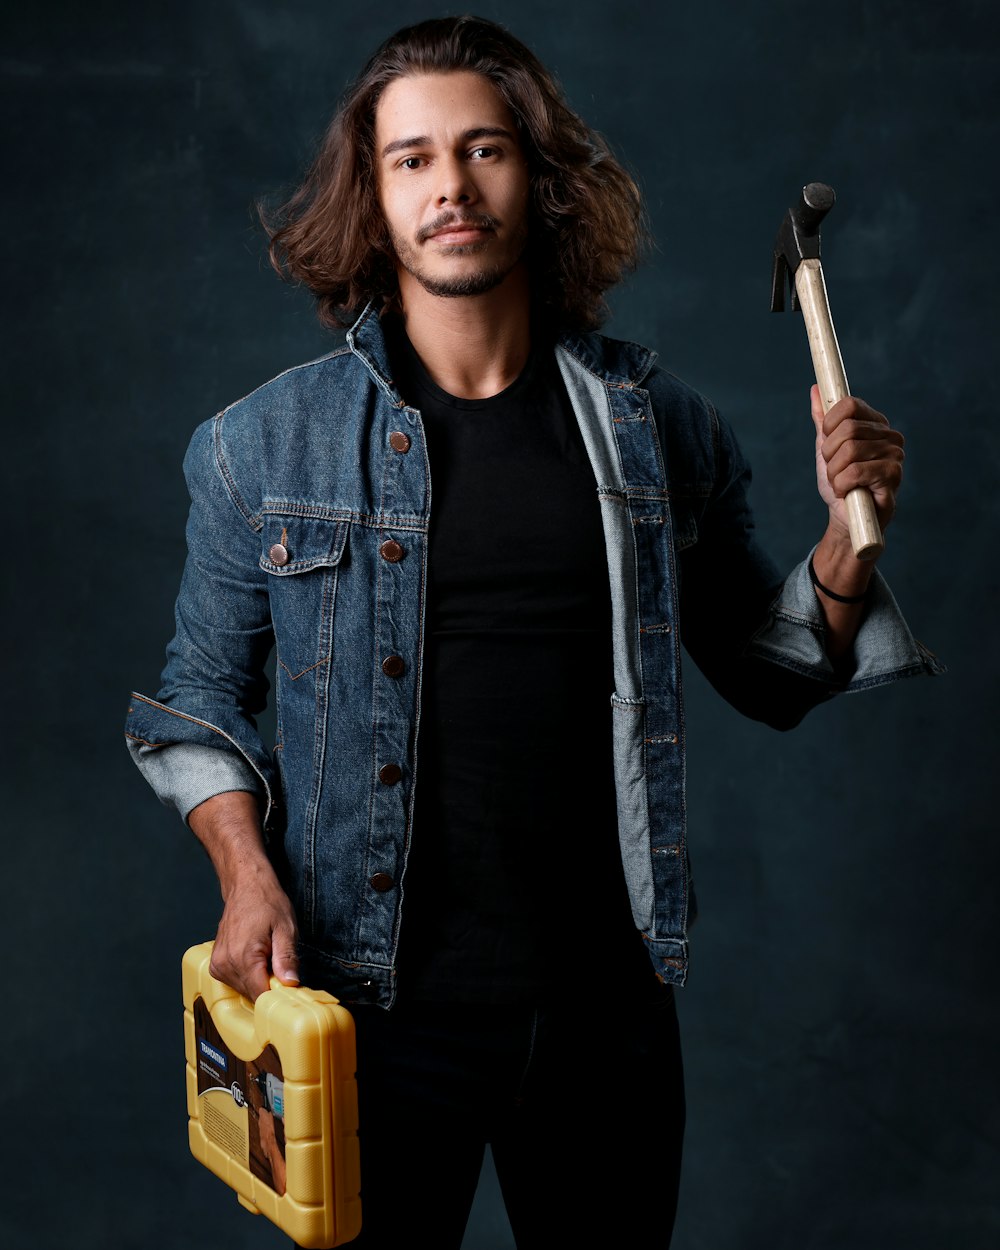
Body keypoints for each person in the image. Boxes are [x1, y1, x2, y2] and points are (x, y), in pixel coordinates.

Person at [125, 15, 940, 1247]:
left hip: (605, 1015)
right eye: (411, 159)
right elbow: (193, 698)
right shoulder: (259, 446)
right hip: (368, 1016)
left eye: (483, 148)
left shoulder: (661, 428)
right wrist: (245, 873)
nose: (450, 184)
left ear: (538, 177)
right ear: (375, 195)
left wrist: (841, 541)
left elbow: (773, 674)